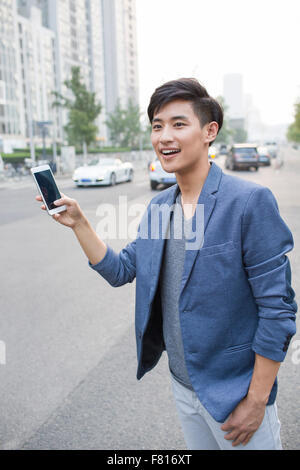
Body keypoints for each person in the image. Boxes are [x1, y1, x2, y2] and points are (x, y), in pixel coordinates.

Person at [35, 78, 297, 450]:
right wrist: (79, 223)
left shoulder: (248, 202)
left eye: (178, 124)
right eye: (157, 126)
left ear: (209, 132)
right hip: (184, 388)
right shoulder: (161, 208)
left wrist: (256, 401)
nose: (164, 136)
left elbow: (278, 311)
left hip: (237, 394)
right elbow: (120, 270)